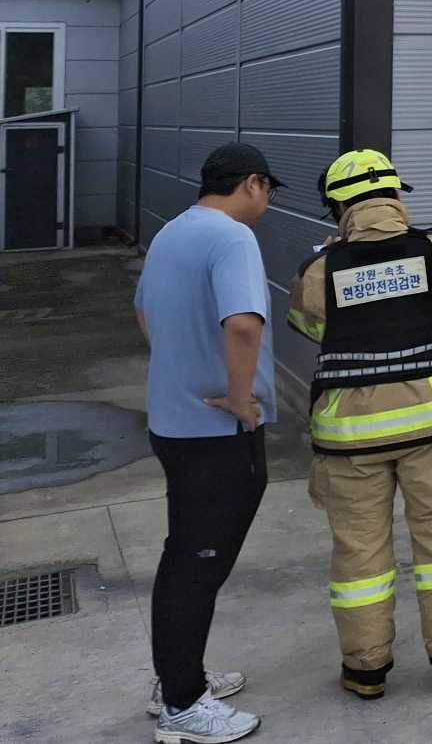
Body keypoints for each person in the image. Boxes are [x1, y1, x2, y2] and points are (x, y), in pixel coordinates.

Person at [286, 149, 432, 699]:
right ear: (395, 196)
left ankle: (365, 668)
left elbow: (309, 326)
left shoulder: (317, 269)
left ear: (338, 209)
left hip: (350, 434)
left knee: (360, 551)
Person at [133, 143, 280, 744]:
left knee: (185, 556)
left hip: (173, 424)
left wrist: (180, 366)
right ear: (252, 183)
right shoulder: (232, 238)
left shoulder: (172, 233)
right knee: (196, 564)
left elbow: (143, 314)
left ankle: (177, 676)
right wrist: (241, 398)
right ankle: (183, 705)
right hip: (217, 434)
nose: (266, 204)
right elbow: (243, 323)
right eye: (268, 192)